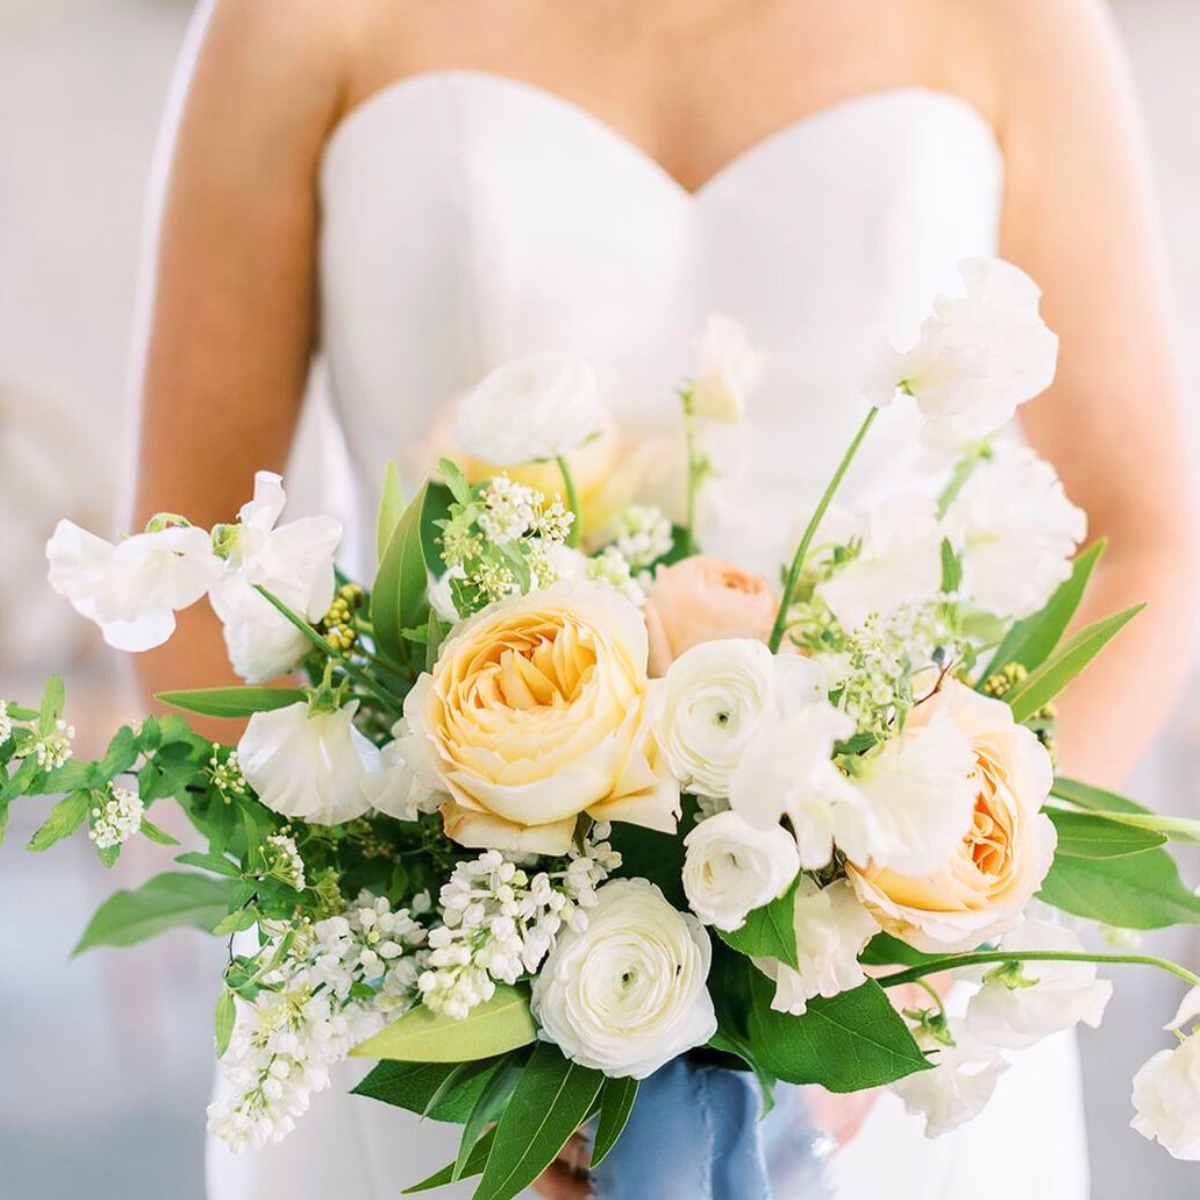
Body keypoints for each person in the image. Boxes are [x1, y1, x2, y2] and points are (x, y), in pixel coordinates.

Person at [130, 1, 1197, 1197]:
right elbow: (181, 574)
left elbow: (1147, 541)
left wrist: (899, 975)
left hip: (901, 1028)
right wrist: (467, 979)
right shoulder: (288, 21)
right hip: (424, 1023)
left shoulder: (1020, 24)